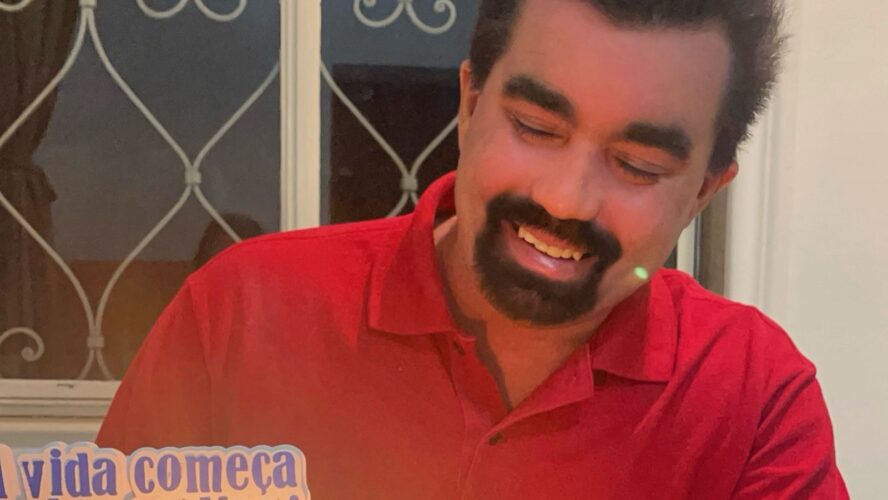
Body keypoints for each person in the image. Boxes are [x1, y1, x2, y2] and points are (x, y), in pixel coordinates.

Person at [97, 0, 849, 498]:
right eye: (536, 128)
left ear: (705, 191)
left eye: (638, 166)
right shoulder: (242, 315)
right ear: (469, 103)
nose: (566, 200)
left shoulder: (752, 396)